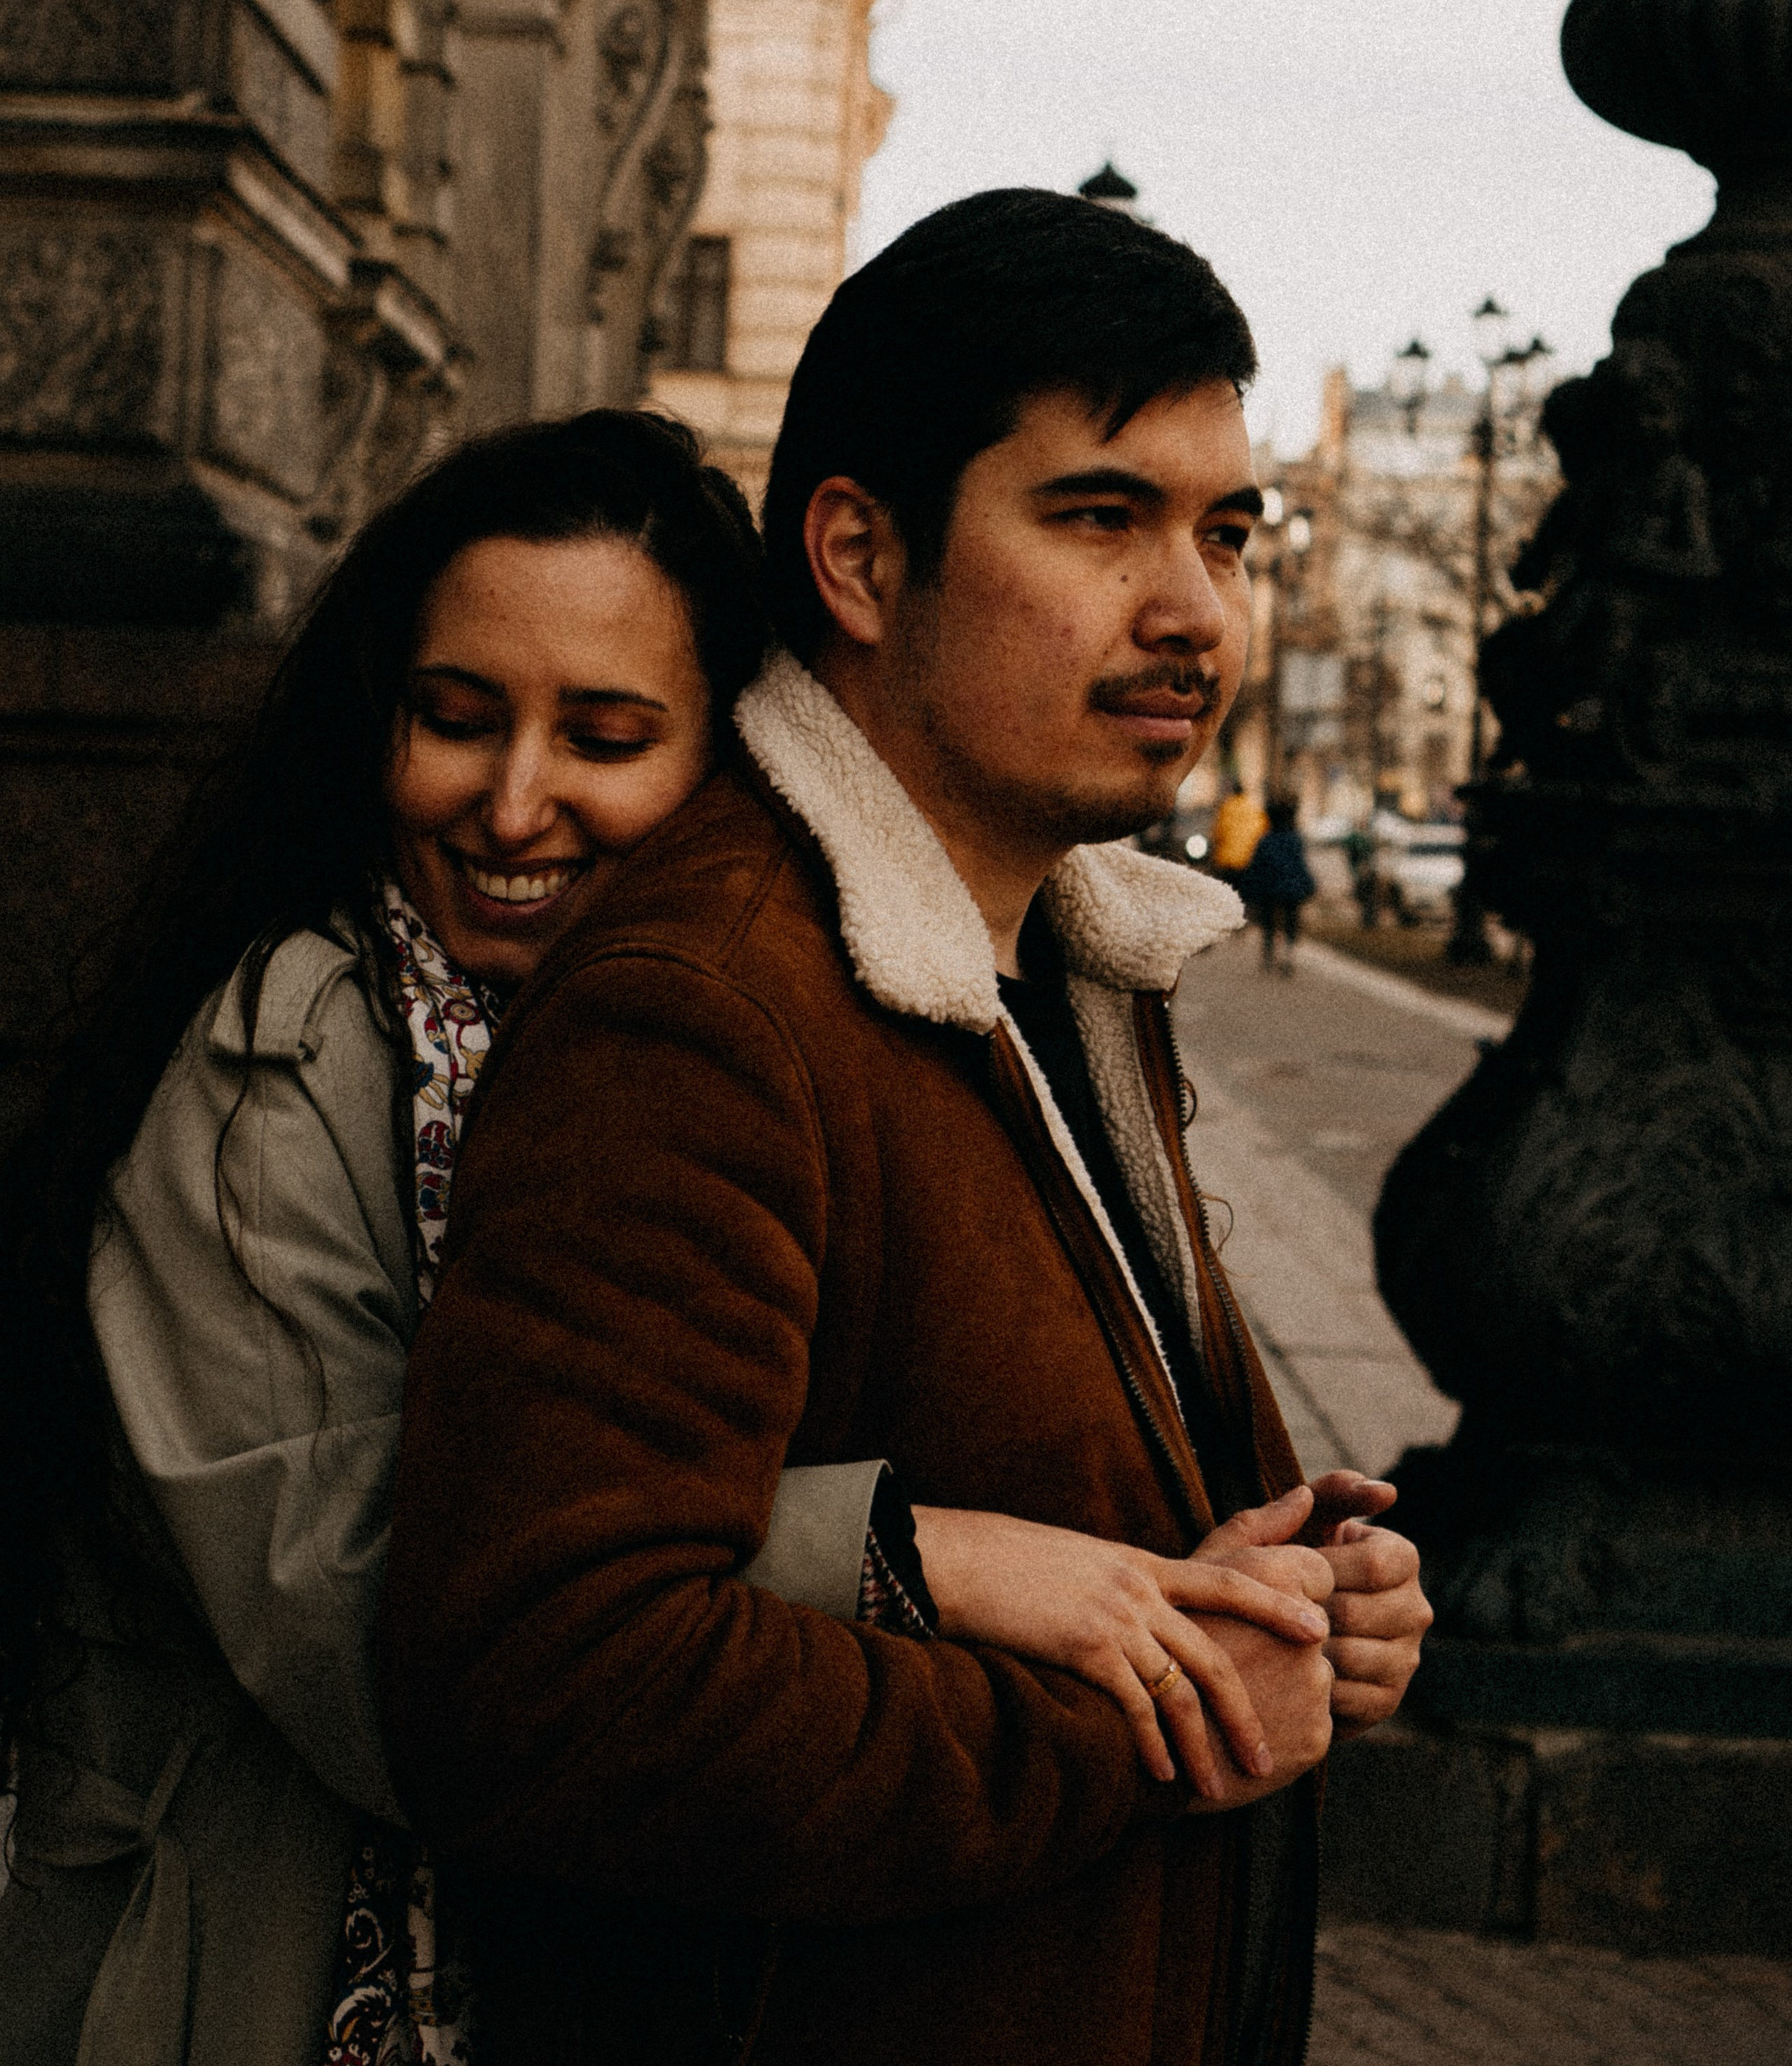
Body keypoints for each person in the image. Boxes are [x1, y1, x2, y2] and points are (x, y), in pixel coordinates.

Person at [0, 410, 1331, 2066]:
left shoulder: (715, 1038)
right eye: (455, 717)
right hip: (271, 1981)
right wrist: (913, 1556)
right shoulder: (278, 1071)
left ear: (725, 759)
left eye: (606, 734)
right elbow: (395, 1657)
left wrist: (1279, 1578)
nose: (512, 800)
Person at [379, 191, 1432, 2066]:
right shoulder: (711, 1010)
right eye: (1101, 520)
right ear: (860, 559)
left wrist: (1294, 1586)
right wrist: (1160, 1729)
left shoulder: (1078, 974)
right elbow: (552, 1688)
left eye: (1231, 532)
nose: (1196, 609)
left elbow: (1077, 1516)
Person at [1239, 797, 1318, 976]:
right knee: (1291, 922)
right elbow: (1301, 866)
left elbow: (1255, 868)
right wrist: (1309, 885)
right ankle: (1288, 955)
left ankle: (1268, 955)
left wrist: (1248, 891)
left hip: (1269, 888)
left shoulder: (1265, 840)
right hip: (1291, 889)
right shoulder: (1295, 840)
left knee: (1268, 923)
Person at [1208, 778, 1268, 889]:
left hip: (1227, 860)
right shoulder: (1254, 809)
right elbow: (1263, 832)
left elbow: (1217, 833)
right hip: (1248, 860)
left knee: (1227, 891)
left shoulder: (1226, 807)